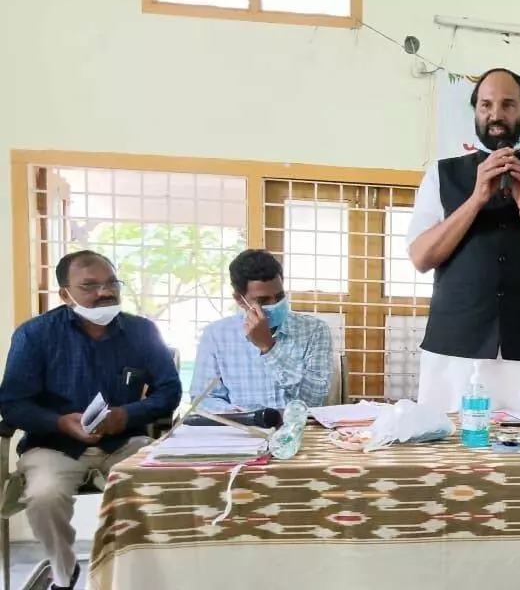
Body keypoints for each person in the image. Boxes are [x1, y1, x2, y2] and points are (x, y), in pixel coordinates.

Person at [407, 67, 520, 412]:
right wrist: (476, 199)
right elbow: (420, 257)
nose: (495, 114)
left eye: (508, 105)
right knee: (447, 455)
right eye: (486, 105)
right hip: (453, 354)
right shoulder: (442, 176)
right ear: (475, 112)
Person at [0, 250, 181, 590]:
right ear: (65, 294)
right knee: (44, 495)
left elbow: (169, 392)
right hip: (53, 445)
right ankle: (63, 570)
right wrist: (60, 423)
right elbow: (12, 404)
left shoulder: (142, 331)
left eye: (111, 283)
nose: (104, 292)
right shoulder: (34, 335)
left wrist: (126, 414)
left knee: (159, 483)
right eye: (90, 286)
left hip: (125, 441)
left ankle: (138, 570)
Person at [191, 249, 334, 413]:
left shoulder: (314, 330)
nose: (275, 304)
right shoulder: (216, 335)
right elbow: (202, 399)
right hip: (242, 431)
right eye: (263, 300)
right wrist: (237, 415)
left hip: (298, 429)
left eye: (279, 297)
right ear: (240, 300)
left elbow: (314, 400)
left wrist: (269, 348)